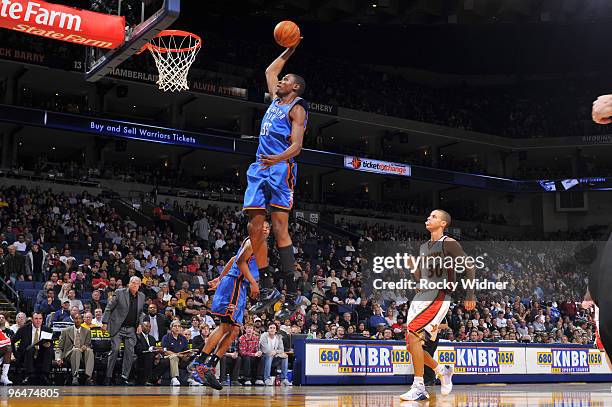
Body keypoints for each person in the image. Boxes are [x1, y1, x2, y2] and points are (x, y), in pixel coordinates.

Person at [244, 40, 308, 320]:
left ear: (294, 87)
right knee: (254, 226)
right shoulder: (275, 99)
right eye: (281, 80)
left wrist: (278, 159)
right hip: (260, 166)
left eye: (286, 80)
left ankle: (292, 291)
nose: (280, 81)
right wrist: (290, 50)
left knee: (280, 227)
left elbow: (297, 146)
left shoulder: (297, 108)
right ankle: (268, 287)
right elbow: (271, 70)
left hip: (281, 168)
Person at [400, 210, 475, 402]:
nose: (428, 218)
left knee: (414, 334)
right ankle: (441, 370)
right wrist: (413, 268)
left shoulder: (448, 242)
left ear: (443, 224)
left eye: (433, 216)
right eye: (428, 216)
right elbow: (421, 277)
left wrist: (470, 293)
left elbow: (470, 265)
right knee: (411, 343)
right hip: (422, 295)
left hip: (439, 294)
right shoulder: (424, 246)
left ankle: (419, 386)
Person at [190, 225, 265, 390]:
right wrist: (253, 282)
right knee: (225, 327)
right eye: (263, 226)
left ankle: (210, 365)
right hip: (235, 285)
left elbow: (232, 259)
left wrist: (218, 278)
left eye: (268, 227)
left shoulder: (257, 246)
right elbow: (238, 261)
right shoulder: (253, 242)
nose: (265, 229)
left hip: (237, 287)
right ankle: (199, 363)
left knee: (234, 331)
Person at [102, 276, 145, 385]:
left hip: (131, 329)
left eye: (137, 283)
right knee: (115, 349)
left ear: (139, 285)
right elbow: (109, 307)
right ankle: (108, 376)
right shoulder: (119, 292)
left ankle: (124, 377)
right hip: (118, 327)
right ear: (129, 283)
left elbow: (141, 313)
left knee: (129, 353)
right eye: (132, 282)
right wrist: (104, 322)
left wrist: (140, 324)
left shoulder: (142, 296)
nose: (134, 285)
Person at [11, 312, 54, 385]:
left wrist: (49, 345)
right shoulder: (24, 329)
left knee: (48, 350)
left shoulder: (47, 330)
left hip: (41, 354)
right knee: (31, 348)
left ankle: (45, 375)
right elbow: (12, 341)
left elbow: (51, 344)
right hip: (26, 354)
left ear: (42, 320)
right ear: (32, 320)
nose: (38, 321)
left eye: (40, 318)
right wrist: (14, 354)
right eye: (36, 318)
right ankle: (29, 375)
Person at [58, 313, 94, 385]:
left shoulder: (87, 331)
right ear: (73, 320)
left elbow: (88, 345)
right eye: (76, 318)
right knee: (76, 350)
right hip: (69, 354)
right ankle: (75, 377)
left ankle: (88, 377)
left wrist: (85, 347)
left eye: (79, 318)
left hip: (82, 354)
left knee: (89, 351)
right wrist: (58, 358)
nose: (78, 320)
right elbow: (60, 347)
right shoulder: (65, 331)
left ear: (82, 320)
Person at [154, 320, 193, 386]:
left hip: (181, 356)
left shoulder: (183, 338)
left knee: (193, 357)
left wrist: (188, 354)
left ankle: (191, 378)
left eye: (179, 326)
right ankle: (174, 378)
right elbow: (165, 351)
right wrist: (178, 355)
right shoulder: (166, 337)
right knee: (174, 357)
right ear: (171, 328)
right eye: (175, 326)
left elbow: (186, 350)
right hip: (168, 356)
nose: (177, 328)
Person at [134, 321, 162, 386]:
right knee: (149, 356)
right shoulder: (137, 336)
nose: (148, 328)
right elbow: (138, 349)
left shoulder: (152, 338)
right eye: (146, 326)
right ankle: (147, 380)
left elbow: (155, 349)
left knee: (164, 361)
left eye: (149, 327)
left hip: (152, 357)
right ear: (141, 327)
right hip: (140, 357)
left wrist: (158, 355)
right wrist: (149, 350)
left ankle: (155, 379)